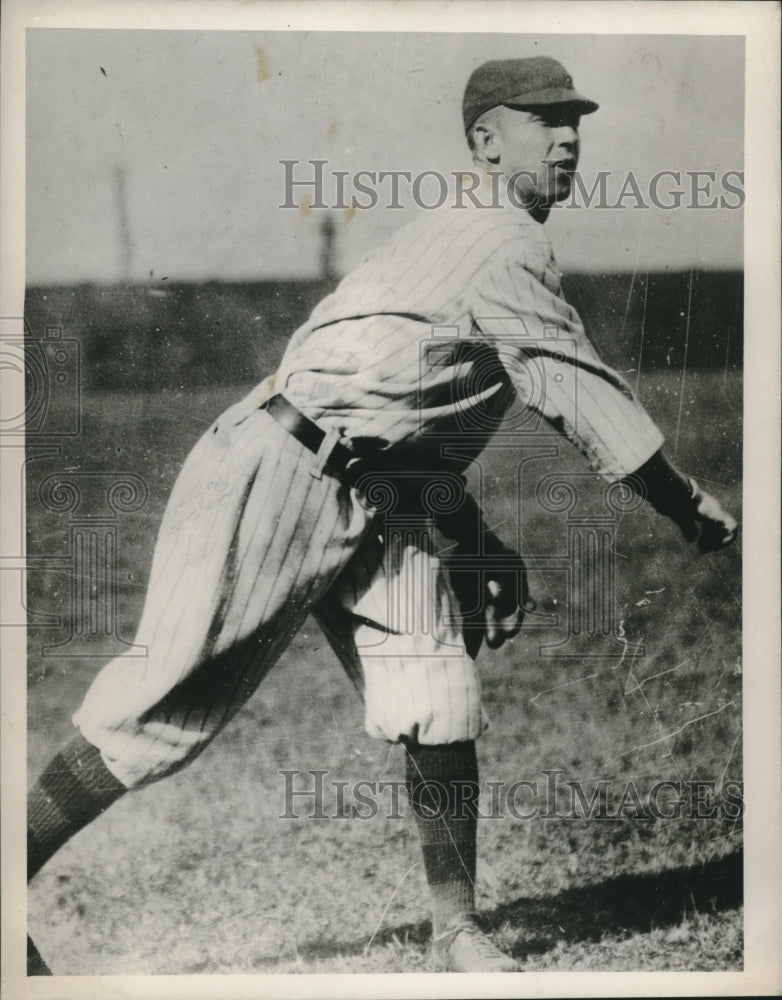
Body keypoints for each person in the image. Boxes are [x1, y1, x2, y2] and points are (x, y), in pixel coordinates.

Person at [27, 56, 737, 974]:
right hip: (277, 468)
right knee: (159, 707)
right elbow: (579, 396)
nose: (567, 139)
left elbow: (401, 418)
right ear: (486, 141)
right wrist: (685, 504)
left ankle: (457, 933)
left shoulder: (456, 235)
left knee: (437, 695)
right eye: (543, 121)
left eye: (575, 122)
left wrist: (473, 538)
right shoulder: (500, 242)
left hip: (374, 484)